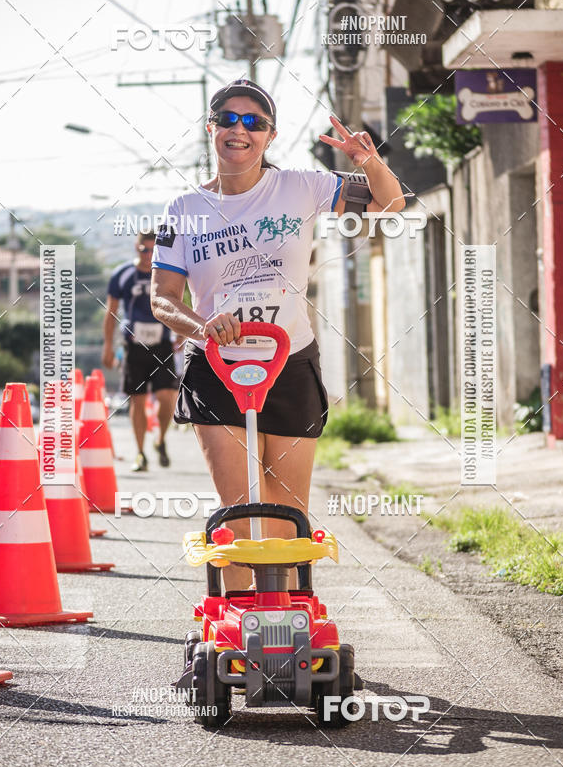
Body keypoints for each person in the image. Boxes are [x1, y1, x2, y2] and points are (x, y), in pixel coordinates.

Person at [150, 78, 404, 588]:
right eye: (228, 119)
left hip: (289, 363)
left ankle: (284, 637)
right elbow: (162, 299)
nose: (239, 130)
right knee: (241, 516)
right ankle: (241, 641)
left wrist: (367, 161)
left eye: (253, 122)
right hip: (217, 369)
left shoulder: (302, 186)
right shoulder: (184, 210)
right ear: (211, 128)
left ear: (269, 135)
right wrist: (204, 325)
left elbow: (390, 204)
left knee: (288, 519)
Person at [103, 230, 181, 471]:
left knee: (167, 397)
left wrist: (180, 331)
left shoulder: (167, 271)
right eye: (143, 250)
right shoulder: (123, 274)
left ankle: (160, 440)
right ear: (136, 249)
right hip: (133, 345)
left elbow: (178, 301)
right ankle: (140, 453)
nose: (148, 255)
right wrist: (108, 345)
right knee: (138, 400)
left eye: (152, 250)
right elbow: (111, 311)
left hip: (162, 344)